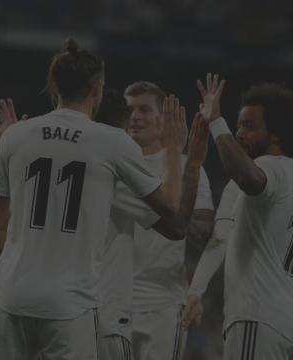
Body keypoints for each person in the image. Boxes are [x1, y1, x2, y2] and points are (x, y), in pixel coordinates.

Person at [0, 39, 185, 360]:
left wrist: (23, 258)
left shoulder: (14, 135)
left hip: (10, 294)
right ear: (97, 89)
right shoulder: (112, 142)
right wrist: (173, 148)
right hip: (70, 303)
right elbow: (171, 209)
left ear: (53, 85)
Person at [196, 74, 293, 359]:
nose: (240, 133)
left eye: (249, 127)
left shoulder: (270, 169)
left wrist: (217, 122)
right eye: (239, 125)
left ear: (276, 134)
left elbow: (248, 177)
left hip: (258, 319)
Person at [93, 89, 210, 360]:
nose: (135, 116)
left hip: (162, 302)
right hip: (105, 298)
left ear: (164, 119)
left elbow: (200, 232)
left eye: (144, 109)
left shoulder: (185, 167)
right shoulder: (108, 162)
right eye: (130, 109)